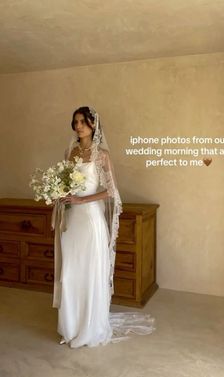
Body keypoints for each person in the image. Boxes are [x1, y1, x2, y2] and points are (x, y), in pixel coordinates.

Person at [51, 106, 155, 348]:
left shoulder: (102, 155)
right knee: (70, 271)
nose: (78, 126)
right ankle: (70, 325)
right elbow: (65, 182)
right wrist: (59, 193)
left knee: (89, 271)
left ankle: (89, 327)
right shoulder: (70, 152)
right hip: (72, 220)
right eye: (75, 121)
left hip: (90, 218)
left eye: (83, 122)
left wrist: (80, 200)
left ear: (93, 125)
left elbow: (111, 191)